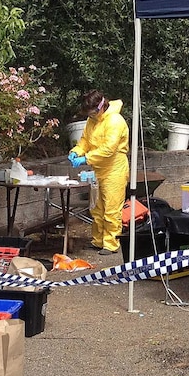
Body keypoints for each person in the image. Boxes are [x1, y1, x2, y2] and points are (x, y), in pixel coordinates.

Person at [68, 90, 129, 255]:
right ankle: (98, 240)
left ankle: (111, 243)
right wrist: (76, 151)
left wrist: (85, 159)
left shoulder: (115, 121)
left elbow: (108, 149)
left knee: (111, 208)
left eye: (92, 113)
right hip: (98, 168)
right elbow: (85, 141)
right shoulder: (92, 120)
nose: (91, 116)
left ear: (101, 107)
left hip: (114, 168)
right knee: (97, 208)